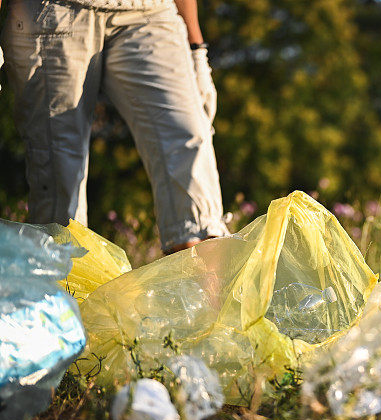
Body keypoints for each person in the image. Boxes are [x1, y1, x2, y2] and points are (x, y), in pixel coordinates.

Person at [0, 0, 229, 253]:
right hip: (52, 14)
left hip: (149, 11)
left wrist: (196, 47)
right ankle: (64, 289)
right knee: (59, 199)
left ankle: (200, 292)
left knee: (195, 188)